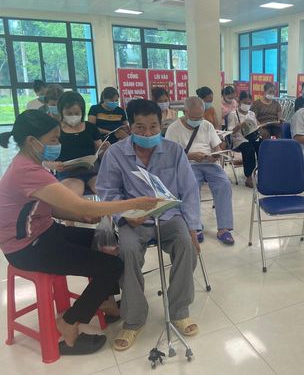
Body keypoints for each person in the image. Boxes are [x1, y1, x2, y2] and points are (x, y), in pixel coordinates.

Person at [0, 110, 158, 355]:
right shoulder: (27, 171)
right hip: (27, 248)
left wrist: (79, 217)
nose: (58, 144)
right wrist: (132, 204)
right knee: (111, 266)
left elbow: (47, 207)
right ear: (32, 141)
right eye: (53, 139)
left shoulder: (31, 164)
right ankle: (69, 323)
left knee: (106, 243)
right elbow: (81, 205)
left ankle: (105, 302)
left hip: (45, 232)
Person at [96, 99, 201, 351]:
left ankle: (178, 309)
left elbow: (189, 191)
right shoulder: (116, 153)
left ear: (161, 124)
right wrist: (125, 214)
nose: (147, 133)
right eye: (140, 128)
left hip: (169, 215)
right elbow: (107, 191)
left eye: (153, 126)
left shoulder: (174, 151)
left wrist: (193, 228)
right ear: (129, 127)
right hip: (134, 219)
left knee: (186, 245)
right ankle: (134, 319)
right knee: (127, 251)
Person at [165, 96, 235, 246]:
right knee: (191, 186)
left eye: (200, 116)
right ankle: (195, 226)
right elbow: (171, 155)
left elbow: (216, 146)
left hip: (209, 163)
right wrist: (191, 156)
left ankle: (224, 228)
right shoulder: (173, 128)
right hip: (187, 165)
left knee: (224, 184)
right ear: (185, 112)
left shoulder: (207, 125)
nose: (198, 120)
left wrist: (215, 155)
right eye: (195, 117)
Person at [44, 91, 107, 199]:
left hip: (93, 171)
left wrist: (106, 150)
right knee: (72, 197)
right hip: (68, 173)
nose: (73, 116)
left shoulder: (91, 128)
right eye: (69, 114)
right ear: (61, 112)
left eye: (77, 113)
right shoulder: (55, 130)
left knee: (107, 191)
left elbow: (101, 154)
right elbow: (44, 160)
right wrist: (53, 165)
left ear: (82, 112)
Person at [227, 91, 261, 188]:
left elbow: (255, 126)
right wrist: (239, 126)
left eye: (249, 103)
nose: (247, 105)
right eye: (245, 102)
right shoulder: (233, 114)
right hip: (239, 139)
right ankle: (249, 177)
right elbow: (230, 132)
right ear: (239, 101)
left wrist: (259, 127)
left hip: (252, 137)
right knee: (249, 149)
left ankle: (263, 172)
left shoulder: (252, 114)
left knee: (263, 147)